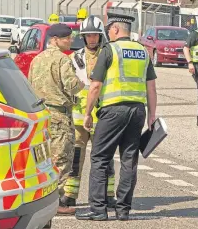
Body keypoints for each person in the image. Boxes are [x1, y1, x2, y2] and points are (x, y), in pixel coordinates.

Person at [75, 13, 157, 221]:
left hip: (113, 111)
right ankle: (123, 210)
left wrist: (87, 114)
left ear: (115, 30)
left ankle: (98, 210)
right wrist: (152, 117)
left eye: (109, 29)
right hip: (138, 111)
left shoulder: (109, 50)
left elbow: (95, 86)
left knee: (100, 158)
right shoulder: (143, 51)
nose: (107, 33)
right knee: (129, 160)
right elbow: (151, 87)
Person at [28, 23, 85, 215]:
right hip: (59, 115)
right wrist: (83, 82)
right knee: (61, 159)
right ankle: (56, 202)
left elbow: (29, 85)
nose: (70, 40)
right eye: (66, 38)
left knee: (41, 159)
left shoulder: (36, 59)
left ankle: (40, 198)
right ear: (54, 40)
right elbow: (72, 86)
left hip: (41, 114)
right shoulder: (63, 60)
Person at [61, 16, 117, 209]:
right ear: (83, 37)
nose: (91, 39)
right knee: (76, 157)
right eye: (88, 35)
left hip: (102, 117)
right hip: (79, 118)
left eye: (94, 35)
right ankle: (70, 194)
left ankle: (109, 194)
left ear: (100, 36)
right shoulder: (74, 58)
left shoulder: (109, 55)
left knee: (105, 157)